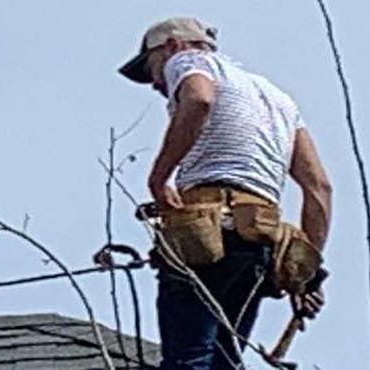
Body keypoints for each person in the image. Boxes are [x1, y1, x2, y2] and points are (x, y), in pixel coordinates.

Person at [112, 16, 333, 370]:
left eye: (152, 67)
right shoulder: (279, 100)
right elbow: (319, 188)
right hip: (256, 243)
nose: (155, 82)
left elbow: (199, 100)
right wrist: (303, 272)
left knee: (189, 360)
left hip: (207, 235)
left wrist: (159, 178)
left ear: (171, 46)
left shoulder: (188, 61)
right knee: (223, 361)